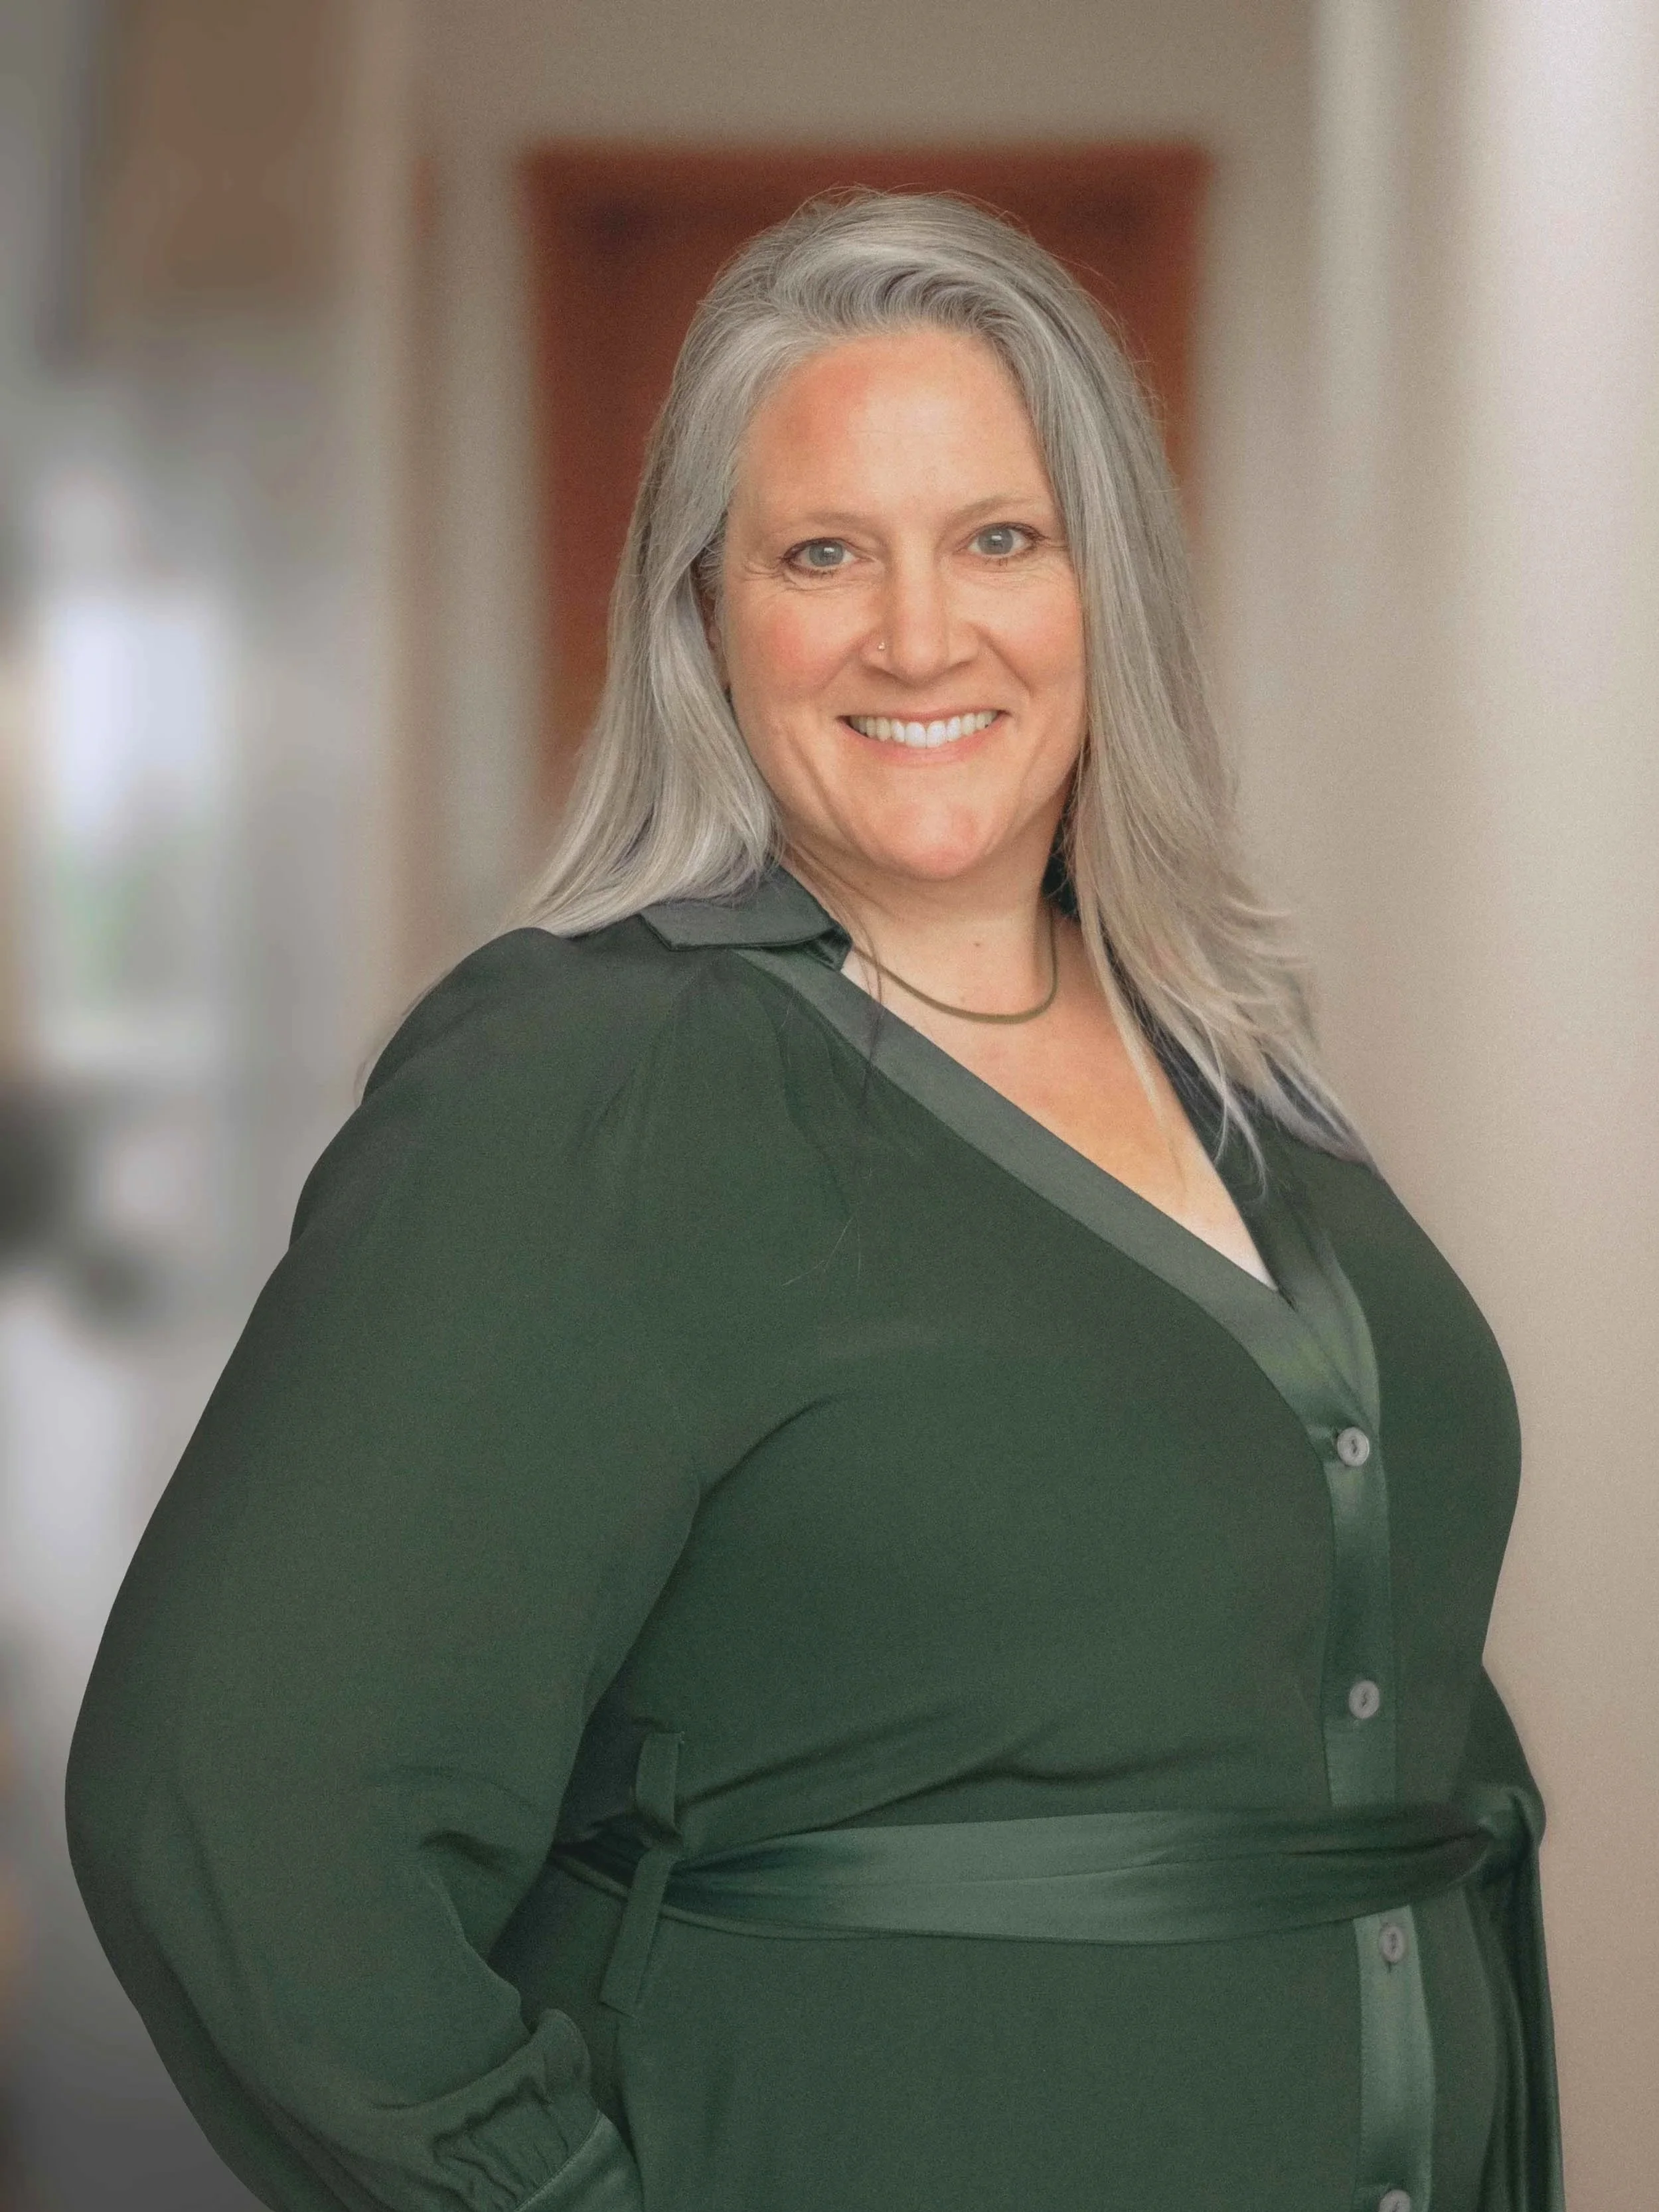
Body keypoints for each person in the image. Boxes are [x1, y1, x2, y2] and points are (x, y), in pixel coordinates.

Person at [64, 190, 1562, 2212]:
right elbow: (238, 1808)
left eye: (1000, 541)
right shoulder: (596, 1085)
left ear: (1108, 590)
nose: (919, 633)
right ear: (705, 616)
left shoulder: (1240, 1067)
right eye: (824, 552)